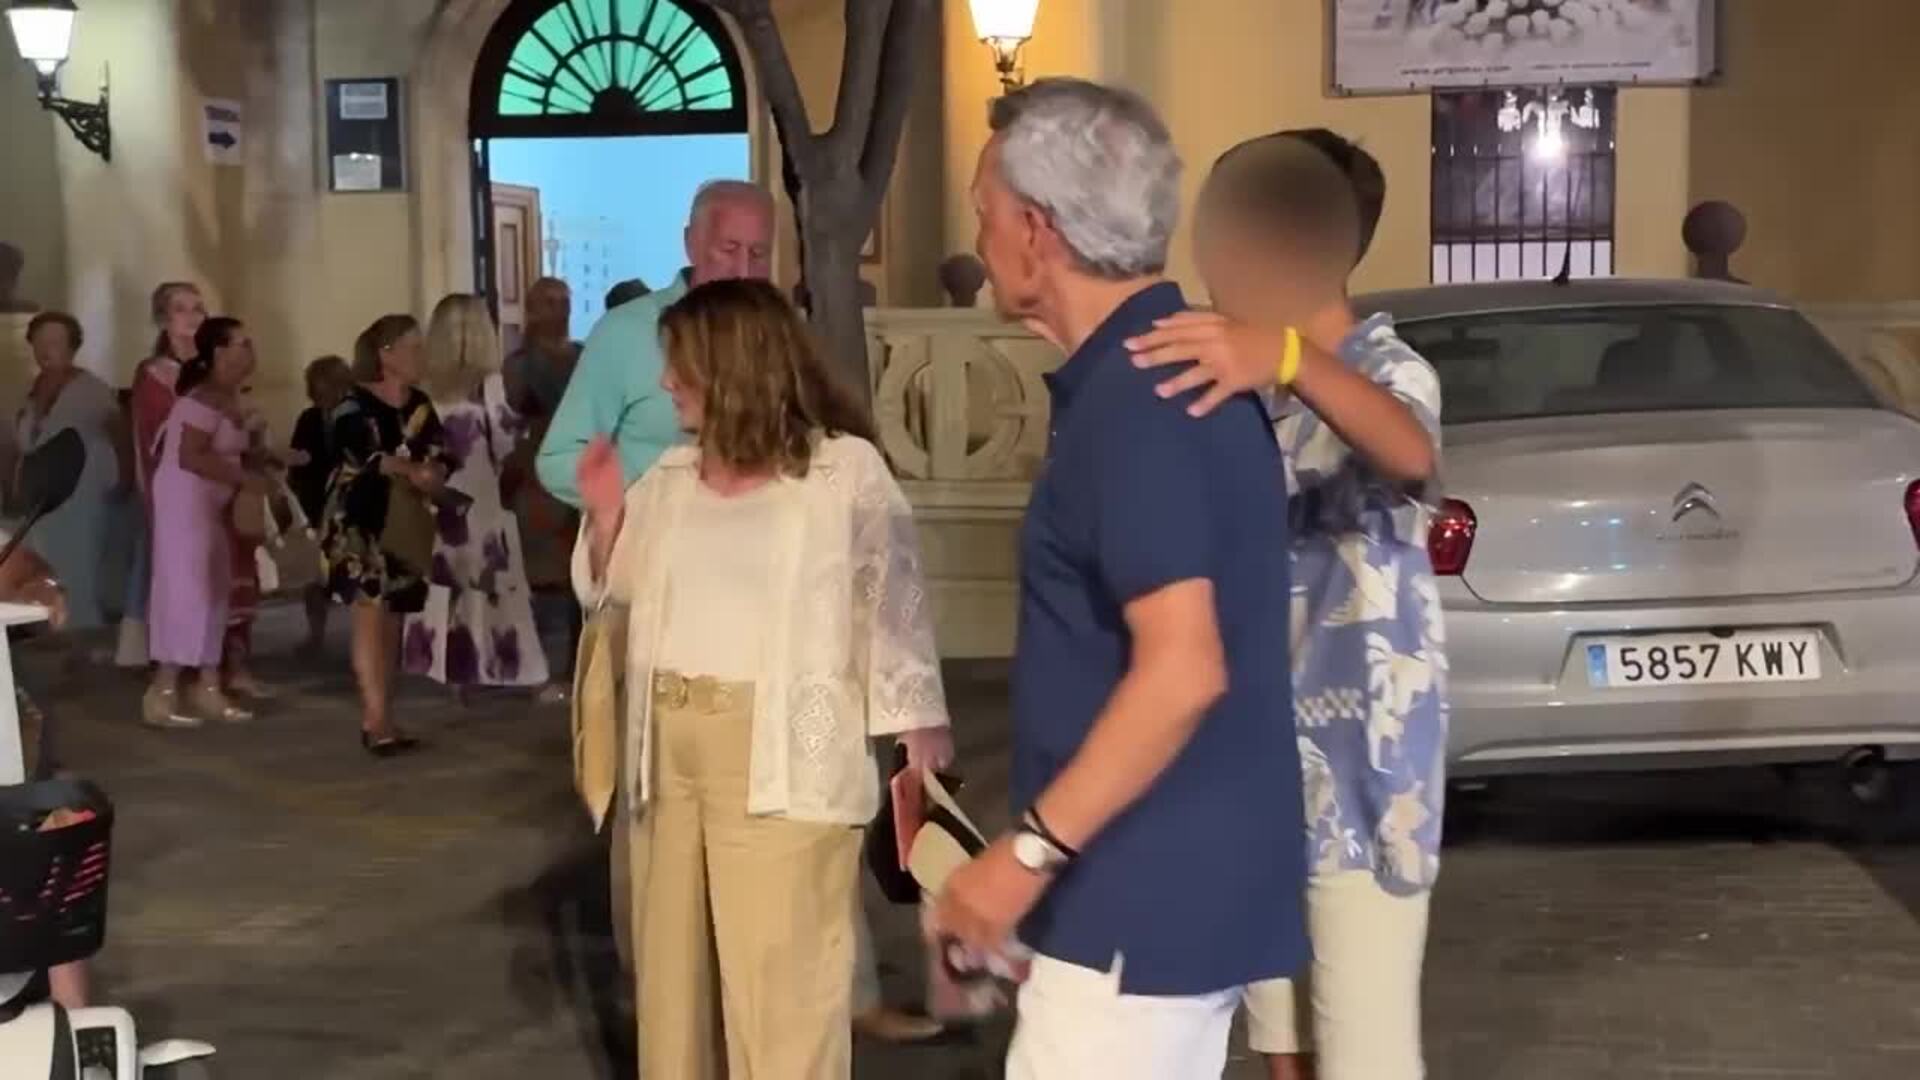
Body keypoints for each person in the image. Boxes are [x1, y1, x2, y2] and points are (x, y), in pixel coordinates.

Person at [929, 78, 1306, 1079]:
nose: (979, 235)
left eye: (983, 209)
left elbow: (1184, 671)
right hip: (1172, 887)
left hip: (1140, 898)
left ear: (1036, 230)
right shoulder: (1160, 370)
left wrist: (1026, 854)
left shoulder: (1139, 402)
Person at [1127, 131, 1447, 1080]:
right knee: (1282, 1046)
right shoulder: (1239, 385)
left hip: (1367, 774)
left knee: (1365, 1052)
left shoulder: (1385, 369)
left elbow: (1411, 453)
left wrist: (1292, 355)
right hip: (1254, 766)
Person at [575, 278, 953, 1080]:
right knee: (672, 992)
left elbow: (895, 607)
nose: (666, 382)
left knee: (782, 991)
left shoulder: (842, 471)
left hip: (782, 758)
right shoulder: (669, 477)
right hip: (664, 758)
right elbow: (610, 592)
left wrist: (917, 731)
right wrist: (606, 521)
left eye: (680, 364)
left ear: (734, 366)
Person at [537, 179, 774, 507]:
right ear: (691, 243)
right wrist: (653, 496)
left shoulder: (781, 340)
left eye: (758, 254)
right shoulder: (625, 332)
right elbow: (559, 460)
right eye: (729, 250)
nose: (743, 271)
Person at [400, 294, 548, 692]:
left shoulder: (421, 389)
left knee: (443, 581)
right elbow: (505, 442)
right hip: (479, 498)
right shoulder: (489, 386)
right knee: (489, 584)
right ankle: (494, 666)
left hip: (435, 499)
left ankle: (445, 669)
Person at [319, 314, 452, 756]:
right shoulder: (353, 403)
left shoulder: (420, 404)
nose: (421, 356)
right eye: (413, 347)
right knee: (370, 611)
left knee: (395, 614)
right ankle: (374, 719)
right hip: (361, 520)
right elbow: (360, 452)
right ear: (386, 354)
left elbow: (441, 449)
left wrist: (435, 472)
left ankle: (386, 714)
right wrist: (409, 469)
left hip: (405, 519)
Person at [142, 317, 274, 728]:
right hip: (185, 504)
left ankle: (208, 685)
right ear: (218, 352)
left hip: (210, 505)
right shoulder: (201, 398)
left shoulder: (228, 397)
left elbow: (230, 449)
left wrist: (273, 459)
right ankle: (162, 692)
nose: (250, 350)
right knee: (188, 590)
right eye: (241, 343)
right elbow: (190, 455)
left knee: (215, 588)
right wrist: (244, 478)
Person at [11, 311, 124, 631]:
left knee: (80, 561)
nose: (47, 349)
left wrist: (126, 480)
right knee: (45, 560)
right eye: (40, 342)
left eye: (56, 342)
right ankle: (51, 628)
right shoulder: (31, 392)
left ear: (72, 347)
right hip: (43, 493)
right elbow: (24, 447)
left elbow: (121, 435)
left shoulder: (92, 389)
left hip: (84, 487)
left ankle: (83, 632)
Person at [118, 281, 206, 666]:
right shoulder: (154, 372)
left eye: (197, 308)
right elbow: (156, 432)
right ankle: (170, 661)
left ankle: (212, 660)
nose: (192, 316)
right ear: (163, 319)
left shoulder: (211, 366)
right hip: (175, 484)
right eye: (181, 308)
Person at [504, 277, 582, 705]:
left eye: (564, 301)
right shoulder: (518, 365)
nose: (560, 310)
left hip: (580, 470)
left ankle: (575, 666)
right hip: (534, 474)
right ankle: (526, 668)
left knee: (579, 573)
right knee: (528, 576)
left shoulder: (583, 356)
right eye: (550, 302)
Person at [289, 355, 352, 650]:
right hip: (316, 505)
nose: (321, 390)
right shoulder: (309, 418)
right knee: (315, 576)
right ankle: (316, 635)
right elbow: (299, 459)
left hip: (349, 506)